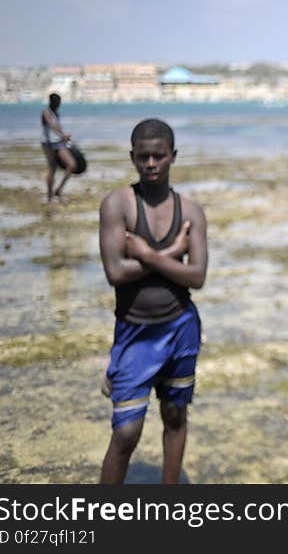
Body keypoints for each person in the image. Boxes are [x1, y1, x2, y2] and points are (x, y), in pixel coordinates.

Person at [98, 118, 207, 484]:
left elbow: (198, 277)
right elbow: (115, 272)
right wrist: (173, 254)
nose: (151, 164)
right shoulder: (118, 205)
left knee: (175, 415)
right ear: (132, 157)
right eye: (143, 156)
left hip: (180, 326)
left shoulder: (190, 211)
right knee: (126, 432)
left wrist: (149, 254)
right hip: (135, 330)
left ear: (173, 156)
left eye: (159, 156)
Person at [40, 93, 76, 204]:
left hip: (59, 143)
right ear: (52, 102)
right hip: (48, 144)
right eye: (57, 103)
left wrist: (64, 137)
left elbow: (58, 126)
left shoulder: (56, 113)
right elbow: (51, 125)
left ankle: (59, 190)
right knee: (52, 169)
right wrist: (62, 135)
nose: (58, 105)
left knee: (72, 165)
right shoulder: (46, 112)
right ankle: (50, 198)